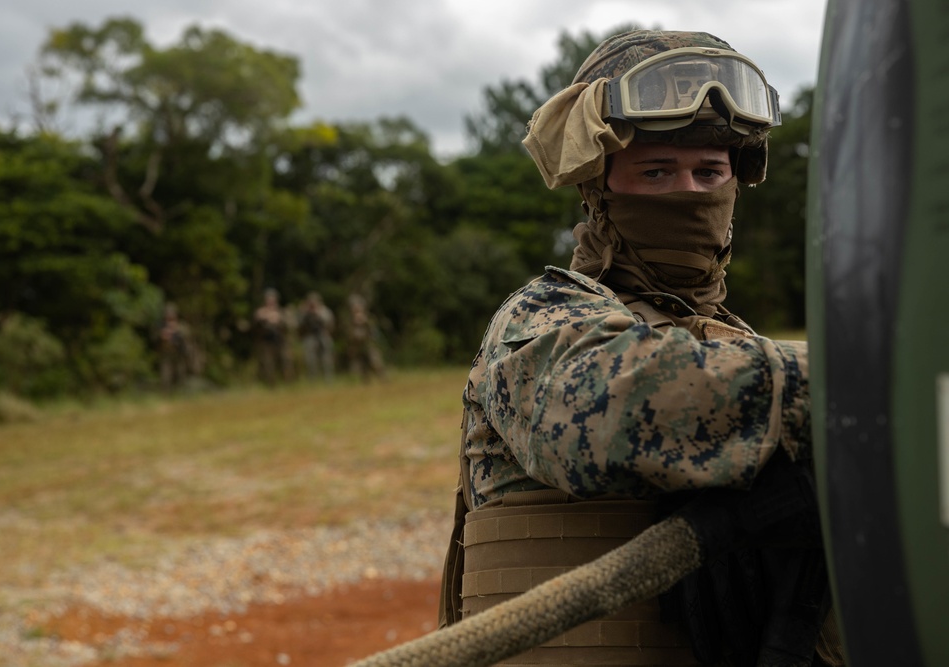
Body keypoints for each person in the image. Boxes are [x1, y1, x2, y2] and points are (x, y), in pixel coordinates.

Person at [438, 30, 841, 667]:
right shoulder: (541, 319)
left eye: (710, 171)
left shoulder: (742, 344)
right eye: (657, 171)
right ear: (599, 189)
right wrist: (861, 384)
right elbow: (604, 415)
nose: (691, 191)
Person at [253, 288, 295, 386]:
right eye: (268, 299)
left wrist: (279, 319)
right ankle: (271, 385)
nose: (270, 301)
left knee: (286, 362)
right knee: (268, 365)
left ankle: (289, 384)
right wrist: (262, 319)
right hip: (267, 343)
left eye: (272, 299)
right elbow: (254, 327)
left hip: (281, 341)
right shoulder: (260, 313)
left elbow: (291, 326)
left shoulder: (283, 312)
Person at [345, 293, 385, 382]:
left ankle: (383, 379)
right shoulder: (350, 321)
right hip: (357, 346)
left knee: (376, 362)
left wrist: (364, 322)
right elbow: (349, 335)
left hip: (368, 344)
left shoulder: (368, 318)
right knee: (363, 366)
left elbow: (374, 332)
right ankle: (366, 382)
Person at [156, 302, 195, 391]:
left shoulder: (181, 326)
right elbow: (155, 336)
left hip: (179, 354)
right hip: (166, 354)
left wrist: (176, 331)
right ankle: (166, 395)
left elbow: (188, 336)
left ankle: (181, 393)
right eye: (168, 314)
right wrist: (163, 335)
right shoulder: (161, 326)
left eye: (171, 314)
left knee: (180, 374)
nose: (169, 316)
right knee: (166, 376)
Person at [298, 291, 335, 382]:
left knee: (326, 359)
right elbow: (299, 325)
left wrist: (317, 313)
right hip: (310, 337)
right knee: (310, 360)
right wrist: (305, 312)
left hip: (323, 336)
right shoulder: (304, 312)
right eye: (311, 302)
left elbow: (330, 323)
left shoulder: (324, 311)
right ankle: (312, 380)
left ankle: (328, 380)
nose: (313, 304)